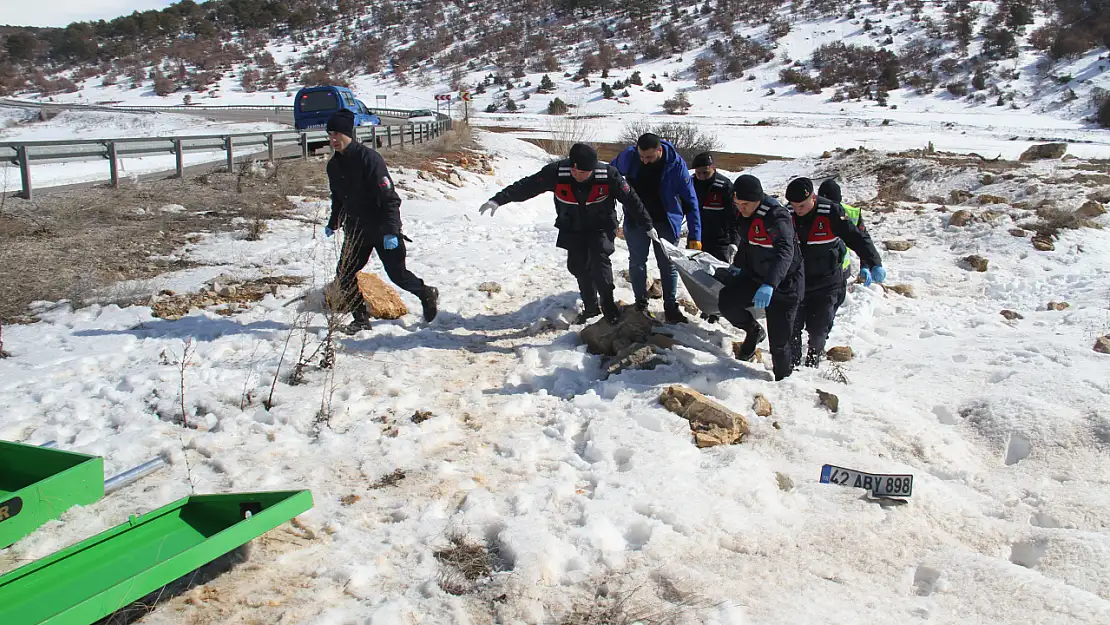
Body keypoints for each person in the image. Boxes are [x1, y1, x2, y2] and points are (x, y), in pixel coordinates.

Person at [479, 143, 656, 324]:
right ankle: (590, 307)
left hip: (601, 226)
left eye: (584, 173)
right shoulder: (557, 172)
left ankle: (608, 304)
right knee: (578, 266)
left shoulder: (608, 175)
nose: (578, 176)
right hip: (572, 226)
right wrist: (498, 200)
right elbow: (527, 186)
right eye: (575, 171)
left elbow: (632, 200)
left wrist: (647, 225)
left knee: (599, 258)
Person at [324, 109, 439, 334]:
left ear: (348, 134)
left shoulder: (369, 159)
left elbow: (390, 198)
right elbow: (338, 197)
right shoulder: (334, 166)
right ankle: (360, 318)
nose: (333, 139)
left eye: (337, 134)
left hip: (381, 228)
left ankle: (426, 292)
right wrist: (333, 222)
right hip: (356, 231)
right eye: (330, 135)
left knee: (398, 275)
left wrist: (391, 230)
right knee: (344, 275)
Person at [785, 177, 885, 368]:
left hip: (827, 282)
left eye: (802, 205)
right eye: (794, 205)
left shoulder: (830, 212)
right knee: (792, 328)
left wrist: (873, 262)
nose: (798, 210)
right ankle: (793, 366)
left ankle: (813, 359)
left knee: (818, 329)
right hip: (797, 281)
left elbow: (857, 237)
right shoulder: (787, 213)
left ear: (813, 198)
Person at [718, 174, 804, 381]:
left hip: (784, 282)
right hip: (755, 274)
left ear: (758, 199)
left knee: (779, 342)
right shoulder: (745, 213)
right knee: (727, 301)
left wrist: (770, 284)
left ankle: (783, 381)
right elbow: (748, 242)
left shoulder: (776, 216)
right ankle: (753, 330)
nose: (741, 208)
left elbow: (785, 251)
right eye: (737, 203)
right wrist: (738, 266)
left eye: (745, 204)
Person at [611, 133, 700, 323]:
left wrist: (695, 235)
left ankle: (670, 307)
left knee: (668, 265)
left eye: (649, 157)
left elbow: (691, 201)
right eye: (641, 157)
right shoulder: (629, 156)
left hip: (665, 220)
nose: (645, 161)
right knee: (636, 262)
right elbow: (611, 174)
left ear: (659, 150)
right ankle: (641, 304)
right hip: (636, 219)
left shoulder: (676, 165)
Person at [690, 152, 739, 263]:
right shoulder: (690, 184)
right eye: (698, 173)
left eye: (705, 173)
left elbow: (734, 217)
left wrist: (734, 242)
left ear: (714, 168)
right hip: (696, 237)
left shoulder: (724, 186)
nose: (701, 177)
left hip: (720, 240)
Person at [817, 178, 864, 286]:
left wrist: (865, 265)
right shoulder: (809, 211)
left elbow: (862, 241)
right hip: (816, 269)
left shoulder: (852, 213)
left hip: (841, 267)